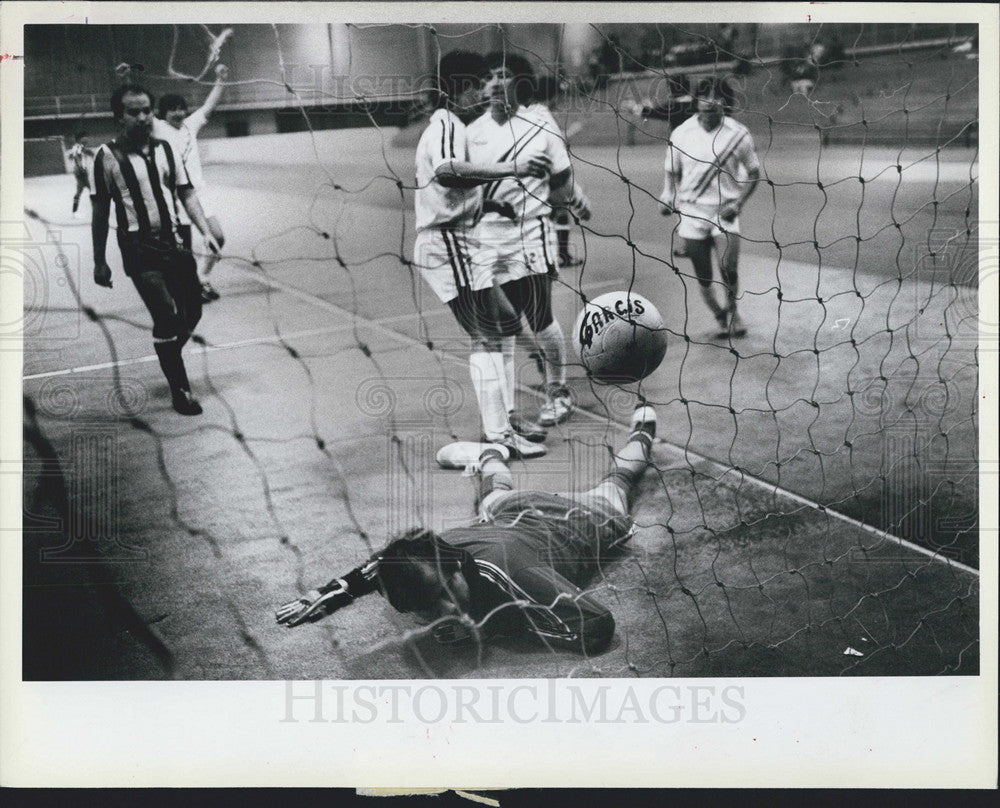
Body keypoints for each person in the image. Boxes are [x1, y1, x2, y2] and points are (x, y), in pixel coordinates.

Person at [276, 401, 658, 655]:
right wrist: (325, 593)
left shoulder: (513, 575)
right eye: (430, 606)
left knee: (619, 481)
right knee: (494, 497)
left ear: (457, 566)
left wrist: (491, 627)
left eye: (446, 592)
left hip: (577, 519)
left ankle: (643, 431)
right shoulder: (429, 552)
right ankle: (489, 453)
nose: (447, 608)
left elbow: (596, 625)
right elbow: (380, 565)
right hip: (506, 514)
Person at [413, 50, 552, 459]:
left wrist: (490, 205)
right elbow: (446, 171)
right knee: (485, 335)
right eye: (478, 83)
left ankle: (504, 418)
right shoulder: (447, 124)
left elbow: (451, 187)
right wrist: (512, 169)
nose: (485, 91)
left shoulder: (452, 123)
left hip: (460, 238)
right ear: (461, 88)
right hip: (447, 242)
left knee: (507, 321)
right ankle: (499, 436)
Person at [89, 83, 219, 415]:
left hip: (175, 244)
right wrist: (99, 261)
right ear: (119, 117)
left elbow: (187, 194)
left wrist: (205, 231)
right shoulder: (105, 157)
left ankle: (169, 356)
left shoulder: (165, 149)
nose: (143, 117)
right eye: (134, 111)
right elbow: (101, 212)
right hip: (138, 249)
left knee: (193, 311)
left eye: (147, 110)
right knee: (165, 314)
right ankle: (181, 390)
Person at [468, 52, 577, 429]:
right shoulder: (471, 133)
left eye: (505, 75)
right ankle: (507, 411)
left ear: (521, 83)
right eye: (489, 76)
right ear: (482, 87)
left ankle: (558, 390)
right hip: (486, 237)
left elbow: (562, 183)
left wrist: (557, 200)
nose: (496, 82)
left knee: (538, 313)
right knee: (501, 323)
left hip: (531, 231)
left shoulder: (540, 124)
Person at [659, 76, 760, 339]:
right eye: (705, 96)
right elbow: (671, 171)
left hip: (725, 212)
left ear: (726, 102)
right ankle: (719, 315)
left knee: (729, 268)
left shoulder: (738, 134)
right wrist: (668, 195)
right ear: (697, 101)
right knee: (703, 277)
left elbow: (753, 172)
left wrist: (738, 203)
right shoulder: (681, 133)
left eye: (717, 97)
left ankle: (734, 312)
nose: (710, 102)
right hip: (692, 213)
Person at [152, 63, 229, 303]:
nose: (178, 113)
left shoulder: (190, 125)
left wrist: (221, 79)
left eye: (181, 109)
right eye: (172, 110)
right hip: (172, 198)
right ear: (162, 113)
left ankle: (202, 278)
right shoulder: (156, 128)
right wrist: (124, 79)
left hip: (196, 193)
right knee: (181, 249)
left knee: (217, 237)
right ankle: (186, 289)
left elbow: (210, 104)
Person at [68, 132, 94, 217]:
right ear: (80, 139)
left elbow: (72, 156)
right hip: (82, 173)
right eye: (85, 137)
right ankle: (95, 210)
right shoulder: (78, 147)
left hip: (81, 173)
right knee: (92, 191)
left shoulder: (78, 147)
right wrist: (80, 167)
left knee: (80, 192)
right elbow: (77, 157)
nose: (87, 139)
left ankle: (74, 212)